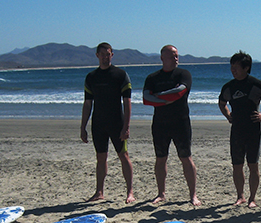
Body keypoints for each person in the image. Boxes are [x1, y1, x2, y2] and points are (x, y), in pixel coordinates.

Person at [143, 44, 201, 206]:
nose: (175, 58)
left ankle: (193, 195)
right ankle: (161, 193)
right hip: (160, 124)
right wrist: (168, 97)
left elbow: (179, 92)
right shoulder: (152, 78)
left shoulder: (184, 74)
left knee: (186, 158)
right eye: (172, 56)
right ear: (162, 58)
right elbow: (147, 99)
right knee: (160, 159)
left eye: (176, 55)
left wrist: (159, 97)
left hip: (180, 122)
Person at [80, 42, 135, 204]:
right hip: (98, 123)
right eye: (102, 54)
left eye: (108, 54)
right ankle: (99, 192)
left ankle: (130, 192)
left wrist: (126, 126)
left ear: (112, 55)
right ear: (97, 56)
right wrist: (83, 126)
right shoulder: (91, 77)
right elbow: (87, 104)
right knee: (100, 158)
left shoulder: (120, 75)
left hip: (117, 122)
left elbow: (127, 102)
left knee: (123, 155)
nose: (105, 57)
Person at [219, 51, 261, 208]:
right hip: (236, 129)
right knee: (237, 164)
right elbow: (222, 103)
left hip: (253, 130)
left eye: (236, 67)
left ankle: (252, 198)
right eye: (231, 67)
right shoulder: (229, 86)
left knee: (253, 164)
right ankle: (240, 196)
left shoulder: (256, 84)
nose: (233, 70)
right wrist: (228, 116)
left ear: (246, 67)